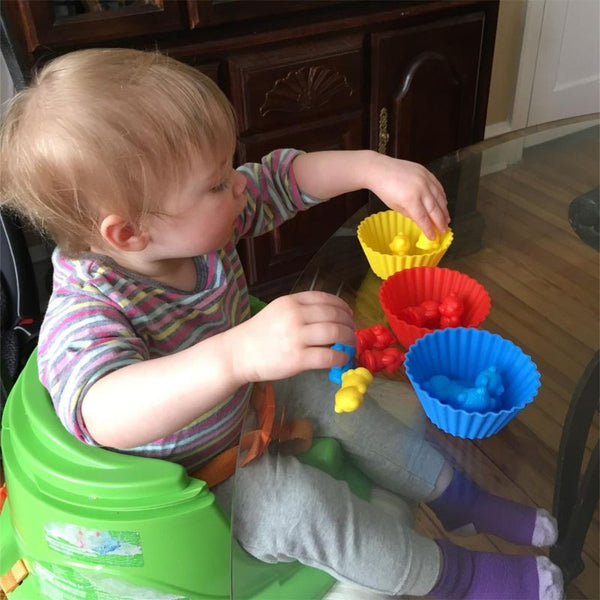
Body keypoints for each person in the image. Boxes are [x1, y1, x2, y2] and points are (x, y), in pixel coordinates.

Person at [0, 48, 564, 600]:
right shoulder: (87, 309)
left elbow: (282, 179)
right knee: (304, 508)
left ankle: (456, 498)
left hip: (249, 401)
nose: (238, 185)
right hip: (197, 478)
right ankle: (455, 579)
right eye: (217, 183)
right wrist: (235, 355)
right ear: (129, 233)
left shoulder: (191, 226)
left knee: (350, 409)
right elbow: (103, 411)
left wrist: (373, 167)